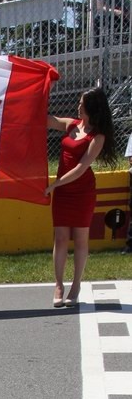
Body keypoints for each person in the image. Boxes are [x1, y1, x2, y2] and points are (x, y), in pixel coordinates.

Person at [46, 88, 116, 307]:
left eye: (82, 104)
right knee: (60, 238)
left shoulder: (98, 136)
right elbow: (48, 120)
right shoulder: (72, 124)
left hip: (82, 192)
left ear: (91, 108)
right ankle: (58, 285)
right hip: (63, 192)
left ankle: (76, 286)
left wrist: (54, 184)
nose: (78, 106)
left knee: (80, 240)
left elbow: (81, 168)